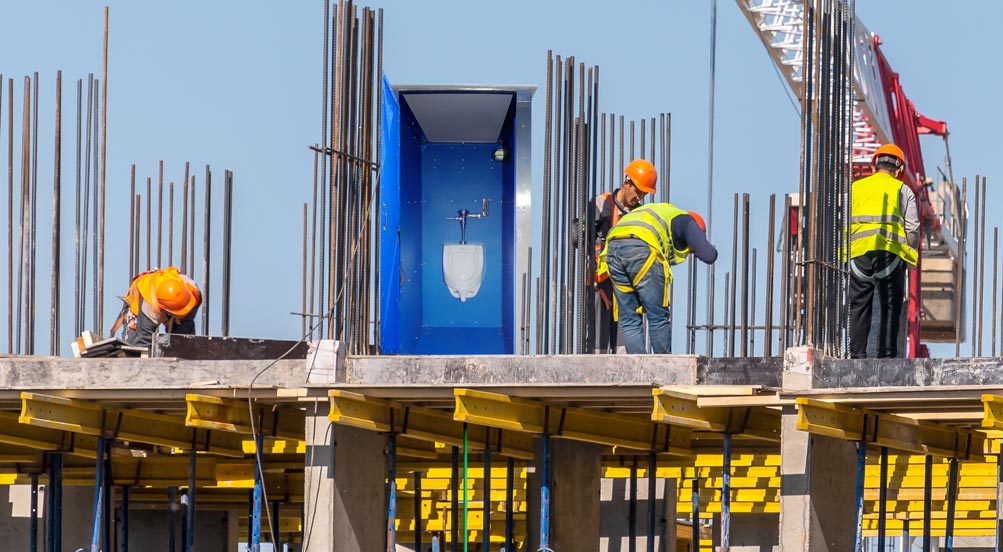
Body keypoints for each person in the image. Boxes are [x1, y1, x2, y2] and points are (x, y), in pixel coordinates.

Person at [597, 204, 717, 353]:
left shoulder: (658, 213)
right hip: (641, 247)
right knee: (657, 317)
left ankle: (639, 369)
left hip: (612, 249)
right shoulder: (687, 221)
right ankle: (662, 368)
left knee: (629, 318)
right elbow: (708, 255)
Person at [847, 143, 919, 358]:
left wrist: (846, 254)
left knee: (859, 306)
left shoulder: (856, 188)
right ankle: (886, 357)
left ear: (874, 167)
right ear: (899, 171)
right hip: (889, 256)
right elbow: (913, 227)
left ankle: (857, 357)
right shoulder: (902, 190)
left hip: (858, 255)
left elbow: (843, 223)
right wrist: (908, 254)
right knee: (890, 305)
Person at [590, 159, 657, 353]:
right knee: (597, 347)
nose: (640, 196)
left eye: (644, 193)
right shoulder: (601, 204)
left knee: (625, 347)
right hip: (600, 285)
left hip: (627, 286)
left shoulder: (641, 214)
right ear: (626, 183)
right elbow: (577, 238)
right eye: (638, 191)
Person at [112, 266, 202, 346]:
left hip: (171, 301)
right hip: (140, 302)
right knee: (134, 349)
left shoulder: (194, 293)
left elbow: (182, 336)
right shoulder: (148, 308)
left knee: (182, 342)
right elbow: (143, 341)